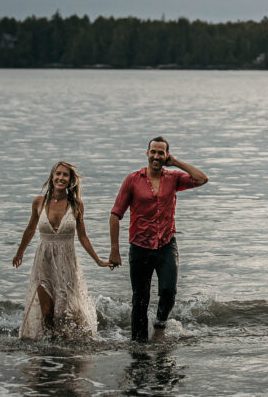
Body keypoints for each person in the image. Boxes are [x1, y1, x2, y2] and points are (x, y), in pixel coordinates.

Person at [109, 136, 209, 342]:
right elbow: (115, 215)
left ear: (166, 155)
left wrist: (177, 162)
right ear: (147, 153)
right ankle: (138, 342)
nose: (156, 156)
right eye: (153, 151)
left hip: (166, 245)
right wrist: (114, 250)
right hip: (139, 247)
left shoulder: (173, 179)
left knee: (168, 290)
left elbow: (202, 179)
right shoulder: (132, 180)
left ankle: (159, 327)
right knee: (140, 299)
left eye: (161, 153)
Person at [13, 161, 112, 340]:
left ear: (71, 180)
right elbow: (30, 229)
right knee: (46, 312)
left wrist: (98, 261)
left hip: (67, 263)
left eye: (65, 175)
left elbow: (83, 237)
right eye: (58, 173)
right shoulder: (39, 202)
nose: (61, 177)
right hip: (44, 261)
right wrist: (20, 252)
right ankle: (50, 350)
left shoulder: (76, 205)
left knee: (64, 312)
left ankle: (69, 343)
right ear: (52, 177)